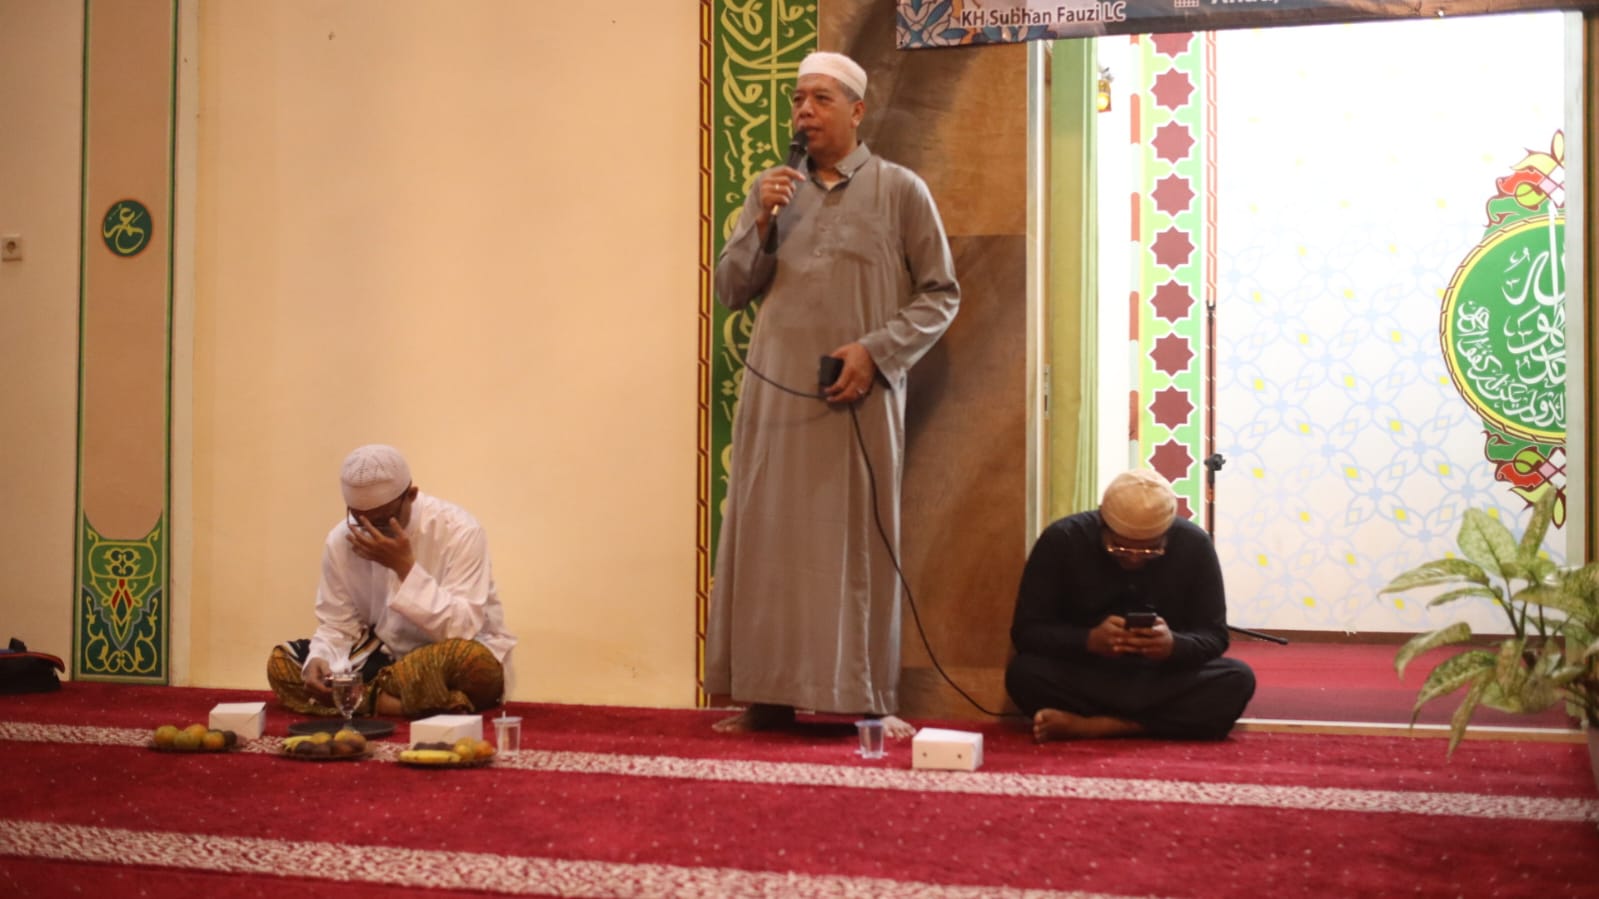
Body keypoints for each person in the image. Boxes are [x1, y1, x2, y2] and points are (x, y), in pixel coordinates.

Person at [705, 51, 960, 739]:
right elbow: (730, 289)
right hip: (776, 402)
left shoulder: (900, 189)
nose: (804, 112)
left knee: (856, 544)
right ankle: (765, 696)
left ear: (857, 110)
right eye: (797, 100)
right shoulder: (772, 189)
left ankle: (868, 697)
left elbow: (941, 294)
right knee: (767, 540)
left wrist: (876, 352)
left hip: (856, 397)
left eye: (820, 99)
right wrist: (762, 223)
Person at [266, 444, 517, 718]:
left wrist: (404, 568)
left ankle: (362, 701)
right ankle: (398, 702)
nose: (372, 530)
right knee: (284, 663)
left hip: (446, 658)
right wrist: (320, 658)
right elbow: (338, 625)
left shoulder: (459, 530)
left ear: (411, 495)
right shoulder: (340, 540)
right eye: (360, 520)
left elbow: (462, 628)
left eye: (384, 520)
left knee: (470, 661)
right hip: (383, 659)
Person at [1005, 469, 1256, 741]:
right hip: (1089, 673)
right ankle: (1155, 723)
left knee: (1237, 679)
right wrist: (1088, 640)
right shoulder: (1062, 540)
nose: (1134, 559)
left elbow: (1214, 636)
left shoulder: (1194, 545)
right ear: (1102, 522)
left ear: (1168, 532)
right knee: (1023, 673)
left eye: (1150, 551)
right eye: (1120, 549)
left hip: (1162, 678)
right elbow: (1027, 632)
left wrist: (1174, 645)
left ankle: (1099, 726)